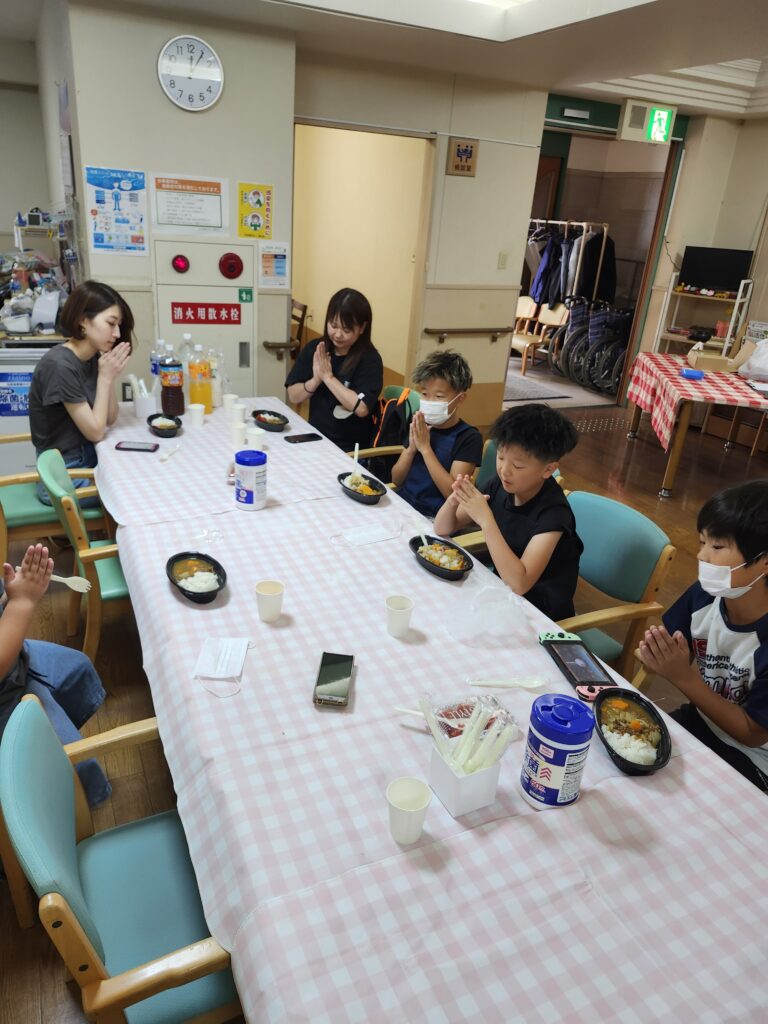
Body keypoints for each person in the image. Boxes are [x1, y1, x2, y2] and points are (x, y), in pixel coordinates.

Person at [638, 480, 768, 793]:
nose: (702, 556)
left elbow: (752, 734)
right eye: (702, 542)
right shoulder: (704, 596)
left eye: (717, 547)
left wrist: (683, 677)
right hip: (701, 720)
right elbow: (664, 652)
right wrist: (656, 656)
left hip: (754, 759)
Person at [434, 403, 582, 619]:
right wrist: (454, 499)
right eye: (501, 457)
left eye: (518, 466)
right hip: (503, 593)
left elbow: (520, 584)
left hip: (540, 614)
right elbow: (442, 527)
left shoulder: (554, 515)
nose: (504, 470)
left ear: (548, 469)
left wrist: (486, 520)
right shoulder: (501, 484)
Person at [0, 543, 111, 806]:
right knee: (73, 765)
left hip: (19, 660)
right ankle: (66, 805)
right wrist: (22, 602)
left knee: (77, 668)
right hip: (6, 700)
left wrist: (10, 597)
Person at [29, 280, 132, 506]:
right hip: (64, 474)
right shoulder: (60, 366)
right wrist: (104, 378)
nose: (117, 333)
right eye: (111, 323)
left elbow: (110, 418)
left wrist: (109, 375)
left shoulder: (92, 356)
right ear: (83, 320)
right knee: (131, 493)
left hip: (88, 457)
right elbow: (95, 432)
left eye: (119, 325)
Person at [285, 287, 383, 449]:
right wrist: (315, 380)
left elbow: (362, 408)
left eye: (346, 329)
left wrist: (328, 377)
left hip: (349, 449)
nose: (337, 334)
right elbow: (293, 396)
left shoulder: (370, 360)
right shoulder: (317, 348)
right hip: (315, 438)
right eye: (333, 325)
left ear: (362, 328)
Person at [391, 350, 482, 518]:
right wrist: (411, 449)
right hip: (404, 504)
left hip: (435, 517)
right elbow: (396, 479)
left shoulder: (469, 438)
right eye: (425, 394)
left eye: (439, 396)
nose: (429, 401)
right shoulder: (420, 424)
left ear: (460, 399)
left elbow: (452, 494)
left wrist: (425, 449)